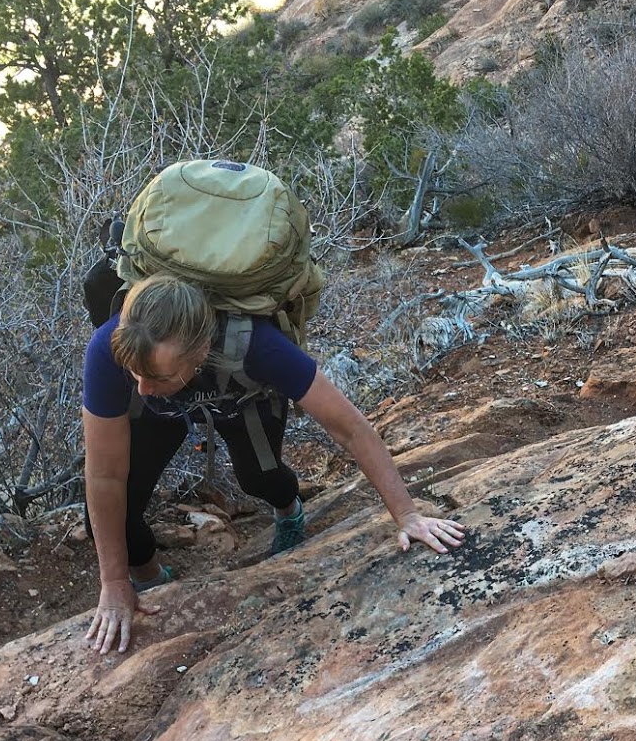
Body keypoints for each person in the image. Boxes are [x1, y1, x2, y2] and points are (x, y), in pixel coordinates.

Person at [81, 274, 466, 653]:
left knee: (261, 480)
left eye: (156, 375)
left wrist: (408, 516)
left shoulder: (256, 346)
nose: (143, 386)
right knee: (111, 515)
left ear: (199, 351)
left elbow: (349, 428)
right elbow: (104, 476)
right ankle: (151, 579)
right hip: (163, 411)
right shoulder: (111, 350)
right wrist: (114, 581)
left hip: (242, 400)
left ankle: (289, 511)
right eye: (135, 374)